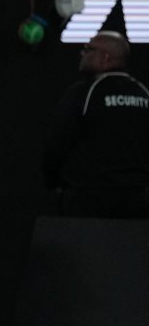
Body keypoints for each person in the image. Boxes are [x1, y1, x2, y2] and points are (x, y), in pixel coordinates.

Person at [44, 30, 149, 218]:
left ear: (105, 57)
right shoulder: (143, 94)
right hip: (137, 201)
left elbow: (56, 143)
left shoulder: (85, 93)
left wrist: (54, 183)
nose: (82, 53)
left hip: (88, 199)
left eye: (88, 49)